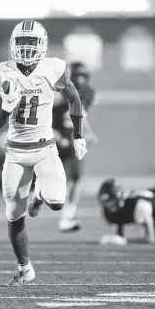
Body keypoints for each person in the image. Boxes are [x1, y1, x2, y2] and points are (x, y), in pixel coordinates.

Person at [0, 19, 87, 286]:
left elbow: (74, 98)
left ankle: (39, 195)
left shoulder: (53, 68)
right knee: (13, 212)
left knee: (57, 201)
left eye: (32, 43)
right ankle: (25, 268)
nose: (27, 48)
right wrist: (5, 109)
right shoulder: (2, 72)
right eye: (22, 43)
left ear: (42, 44)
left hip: (44, 147)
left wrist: (78, 135)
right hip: (16, 152)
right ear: (13, 44)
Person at [52, 61, 97, 232]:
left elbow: (81, 117)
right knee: (58, 179)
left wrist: (88, 132)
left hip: (72, 138)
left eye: (81, 77)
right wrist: (56, 135)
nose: (79, 80)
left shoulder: (87, 94)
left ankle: (67, 216)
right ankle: (63, 213)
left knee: (75, 179)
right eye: (75, 76)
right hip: (57, 137)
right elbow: (45, 118)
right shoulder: (58, 93)